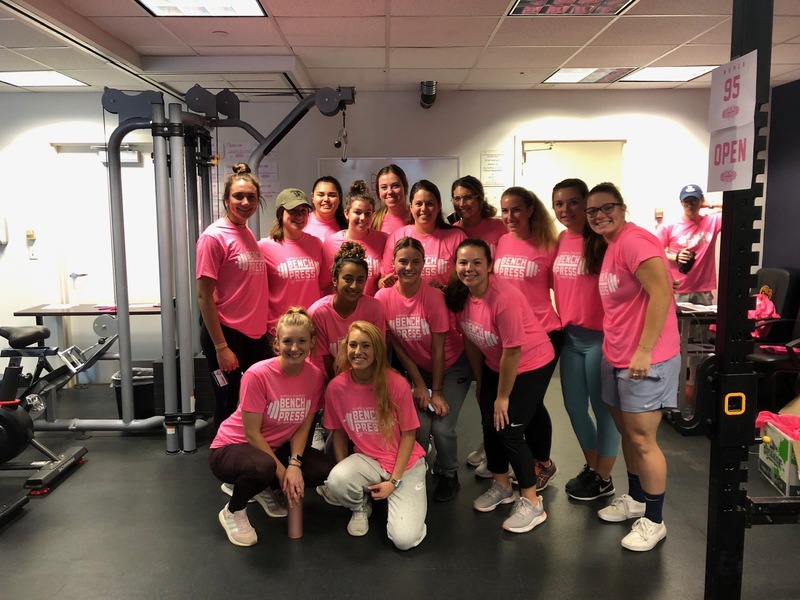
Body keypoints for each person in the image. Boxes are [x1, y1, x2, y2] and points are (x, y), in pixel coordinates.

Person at [586, 182, 680, 552]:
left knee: (643, 440)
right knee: (627, 433)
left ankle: (654, 521)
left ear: (622, 207)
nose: (599, 216)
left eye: (606, 207)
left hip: (645, 358)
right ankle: (638, 500)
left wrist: (644, 350)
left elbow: (662, 293)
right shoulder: (611, 244)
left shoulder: (635, 241)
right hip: (617, 355)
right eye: (592, 211)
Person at [445, 238, 554, 534]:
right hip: (495, 364)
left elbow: (513, 351)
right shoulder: (461, 295)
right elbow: (471, 338)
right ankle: (502, 485)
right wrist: (482, 382)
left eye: (477, 262)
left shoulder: (504, 298)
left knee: (508, 429)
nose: (469, 268)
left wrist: (502, 397)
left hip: (531, 363)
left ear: (490, 266)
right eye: (463, 262)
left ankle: (532, 502)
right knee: (488, 421)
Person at [208, 308, 335, 547]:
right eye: (287, 341)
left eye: (302, 341)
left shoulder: (316, 377)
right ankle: (234, 511)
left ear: (312, 343)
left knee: (322, 468)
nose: (294, 348)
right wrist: (282, 472)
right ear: (276, 344)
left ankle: (263, 488)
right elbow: (251, 434)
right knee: (263, 467)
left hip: (271, 449)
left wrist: (295, 464)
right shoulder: (257, 375)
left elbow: (303, 427)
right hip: (231, 447)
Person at [317, 321, 428, 550]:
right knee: (336, 480)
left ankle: (407, 497)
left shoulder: (396, 383)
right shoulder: (336, 387)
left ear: (377, 350)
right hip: (368, 460)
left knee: (404, 541)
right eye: (353, 345)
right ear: (346, 348)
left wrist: (394, 482)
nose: (358, 351)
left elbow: (409, 435)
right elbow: (339, 433)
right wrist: (344, 473)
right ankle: (360, 506)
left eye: (366, 345)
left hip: (405, 465)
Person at [375, 237, 471, 502]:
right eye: (403, 261)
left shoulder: (433, 297)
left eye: (415, 261)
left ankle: (449, 474)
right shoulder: (383, 298)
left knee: (442, 428)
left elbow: (439, 349)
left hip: (451, 367)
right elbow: (397, 345)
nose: (409, 267)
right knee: (419, 425)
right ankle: (417, 470)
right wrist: (418, 383)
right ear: (393, 263)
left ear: (423, 263)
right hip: (420, 370)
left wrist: (435, 392)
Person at [551, 178, 620, 501]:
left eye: (573, 202)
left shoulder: (604, 242)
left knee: (603, 410)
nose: (566, 209)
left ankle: (603, 476)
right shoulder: (561, 239)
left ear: (586, 205)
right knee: (575, 407)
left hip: (600, 338)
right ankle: (594, 469)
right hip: (571, 337)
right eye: (559, 203)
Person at [491, 186, 561, 491]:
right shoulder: (503, 241)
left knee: (530, 402)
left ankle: (543, 463)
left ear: (530, 210)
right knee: (528, 402)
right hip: (511, 336)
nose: (509, 216)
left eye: (516, 209)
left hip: (545, 333)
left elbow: (566, 288)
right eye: (505, 210)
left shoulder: (549, 245)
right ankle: (530, 459)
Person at [196, 163, 270, 428]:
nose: (245, 202)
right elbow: (204, 296)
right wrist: (221, 347)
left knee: (255, 400)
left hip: (254, 336)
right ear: (226, 200)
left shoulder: (246, 231)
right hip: (226, 335)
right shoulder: (213, 237)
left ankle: (249, 450)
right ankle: (223, 451)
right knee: (227, 402)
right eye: (238, 196)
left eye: (251, 197)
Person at [309, 242, 386, 380]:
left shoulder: (375, 308)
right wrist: (339, 386)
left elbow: (377, 353)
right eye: (348, 279)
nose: (354, 286)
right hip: (330, 381)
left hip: (366, 378)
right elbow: (322, 360)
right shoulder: (319, 313)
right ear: (335, 280)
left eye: (360, 280)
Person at [258, 188, 325, 341]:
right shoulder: (264, 247)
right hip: (279, 331)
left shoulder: (316, 244)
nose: (299, 216)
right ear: (281, 214)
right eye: (293, 211)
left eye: (303, 211)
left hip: (311, 327)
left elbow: (322, 284)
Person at [382, 180, 467, 289]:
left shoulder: (457, 237)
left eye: (430, 204)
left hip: (445, 300)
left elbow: (468, 279)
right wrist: (386, 281)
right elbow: (382, 281)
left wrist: (446, 289)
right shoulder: (397, 237)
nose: (424, 209)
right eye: (419, 204)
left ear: (439, 206)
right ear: (411, 207)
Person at [657, 184, 722, 305]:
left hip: (703, 289)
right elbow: (655, 251)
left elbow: (735, 209)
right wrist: (675, 257)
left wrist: (710, 205)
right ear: (681, 203)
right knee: (675, 318)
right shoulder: (669, 226)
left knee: (704, 318)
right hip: (677, 288)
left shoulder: (712, 221)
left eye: (694, 201)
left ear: (701, 201)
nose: (690, 205)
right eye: (686, 201)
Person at [322, 180, 388, 297]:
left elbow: (384, 278)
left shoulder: (383, 240)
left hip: (373, 305)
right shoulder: (331, 243)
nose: (363, 218)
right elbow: (325, 284)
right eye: (357, 212)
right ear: (346, 213)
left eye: (368, 213)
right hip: (343, 306)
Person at [451, 175, 507, 254]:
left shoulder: (500, 227)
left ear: (480, 199)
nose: (462, 204)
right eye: (457, 198)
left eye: (468, 198)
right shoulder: (453, 232)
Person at [304, 175, 348, 241]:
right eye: (321, 195)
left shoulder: (348, 225)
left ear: (339, 198)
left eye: (332, 195)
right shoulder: (302, 221)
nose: (326, 199)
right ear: (312, 197)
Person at [372, 164, 411, 235]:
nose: (390, 192)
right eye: (384, 187)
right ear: (378, 192)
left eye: (395, 186)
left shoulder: (417, 215)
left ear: (405, 187)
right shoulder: (373, 221)